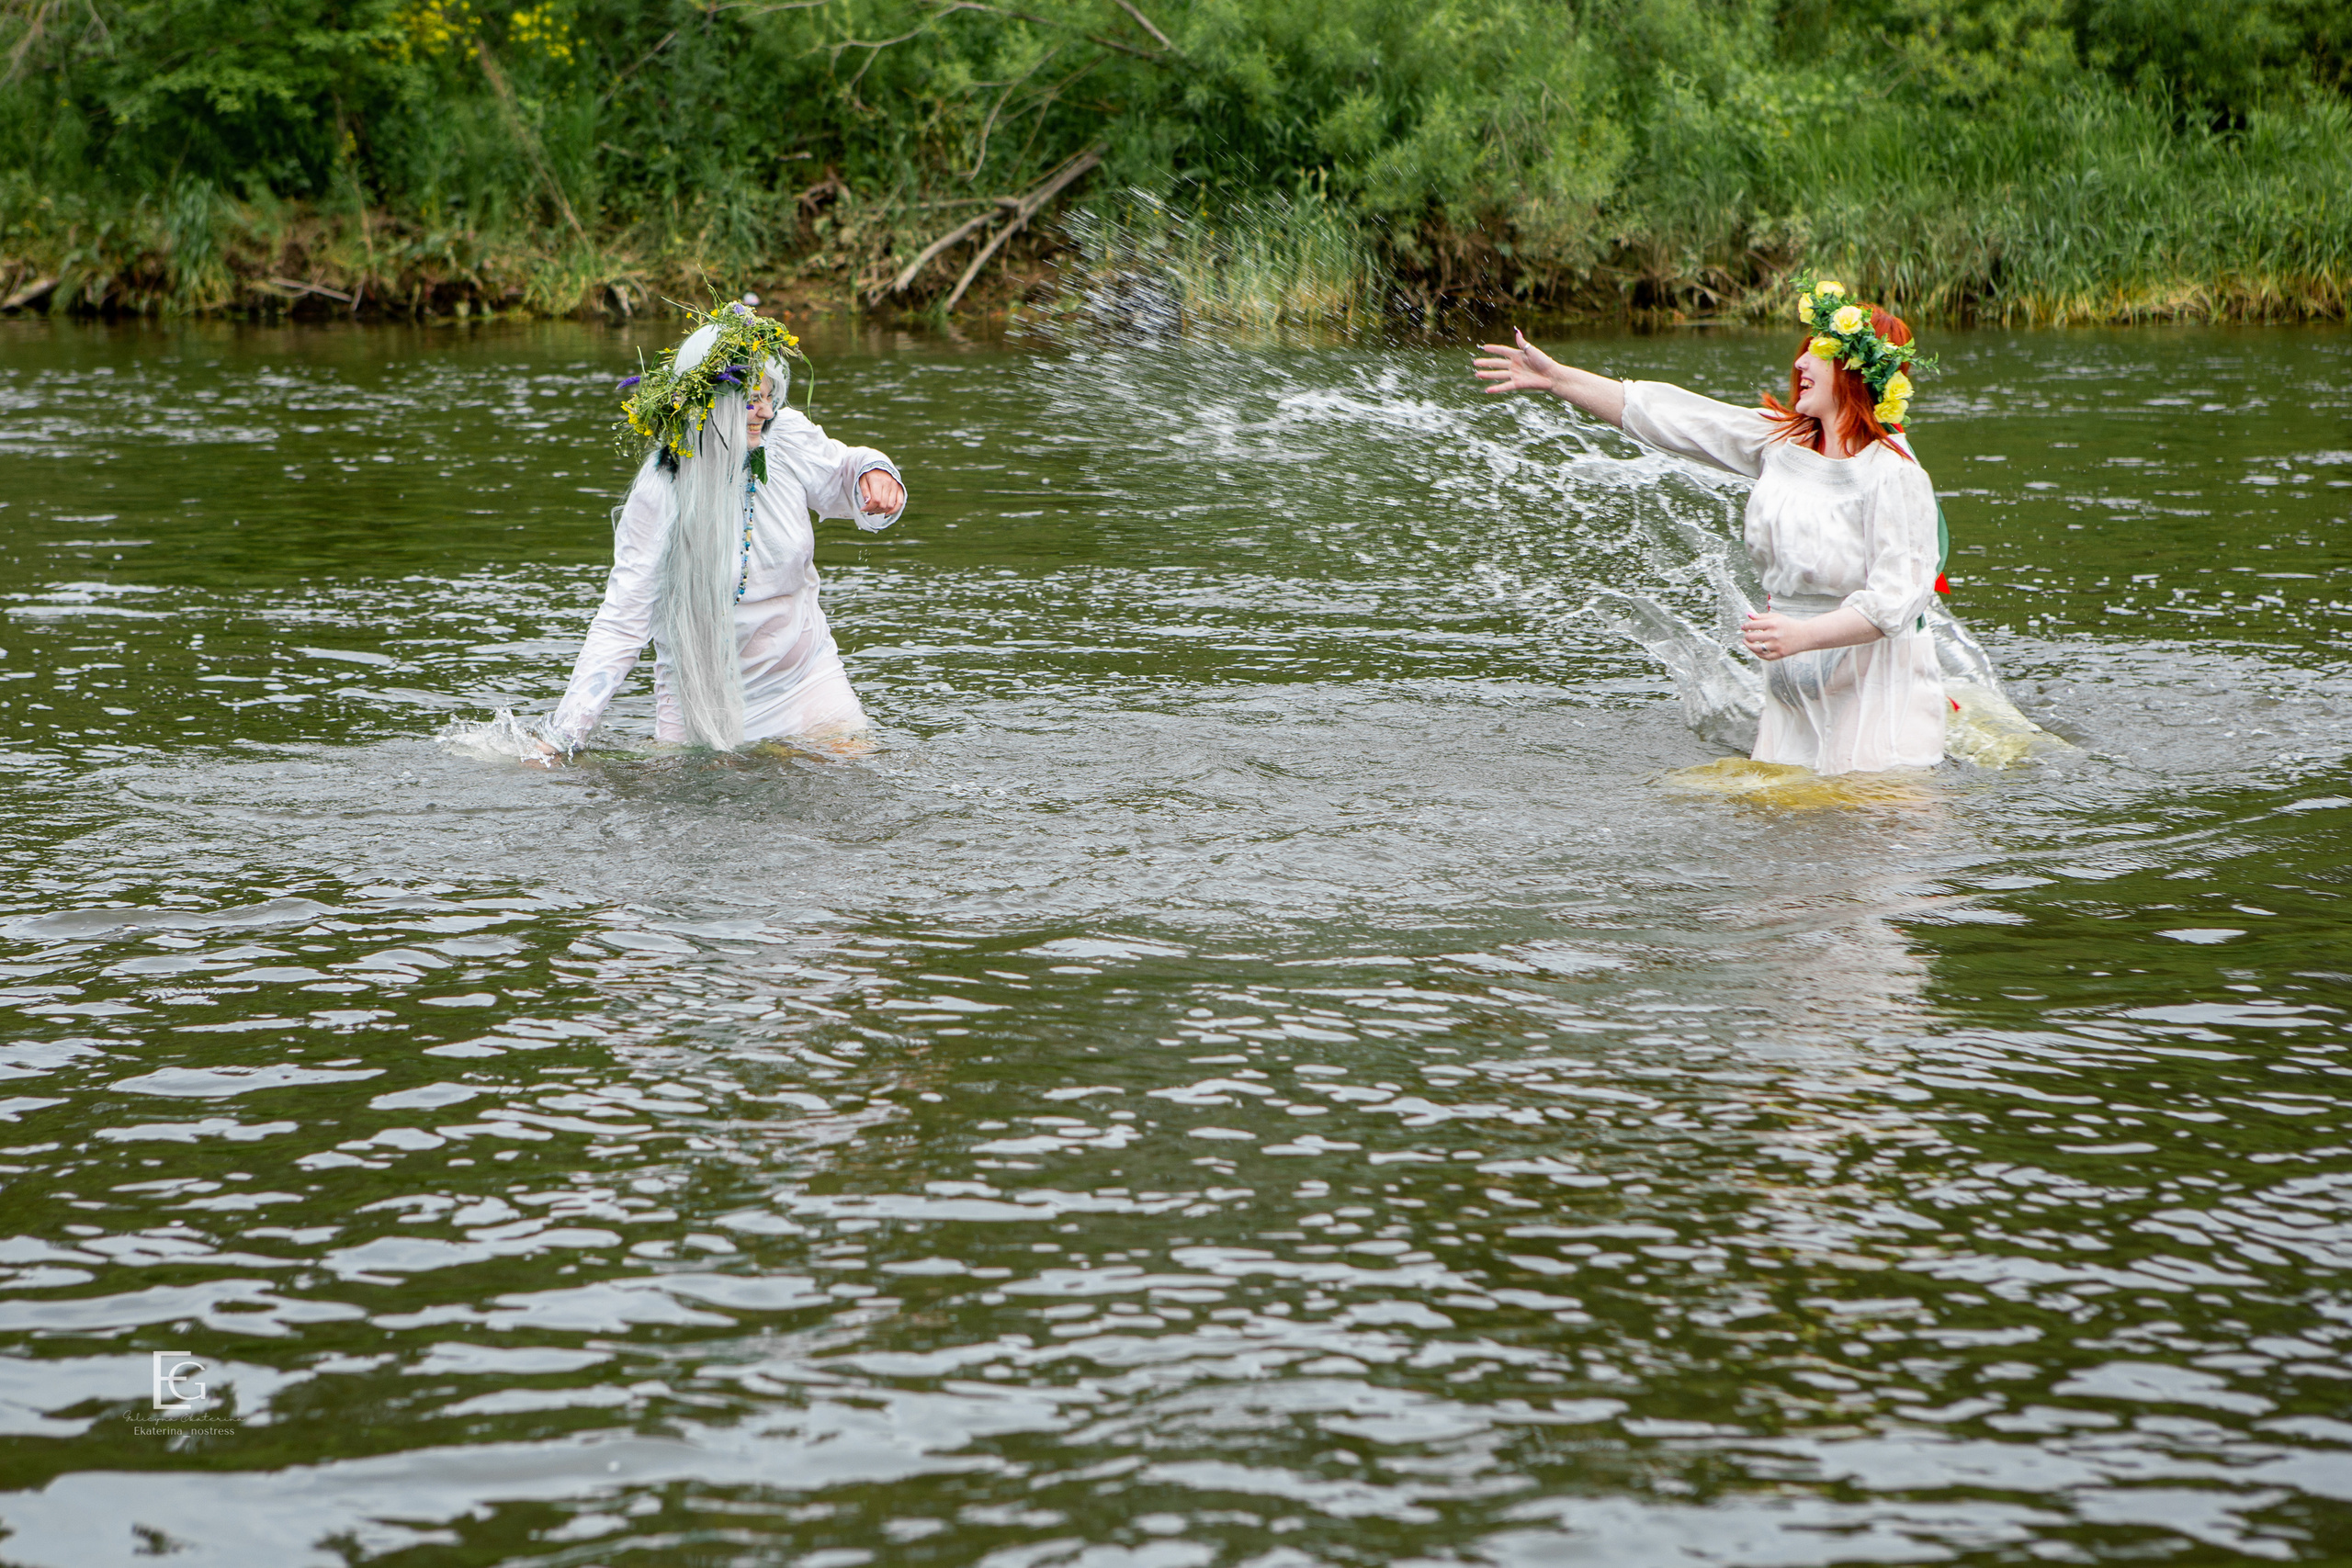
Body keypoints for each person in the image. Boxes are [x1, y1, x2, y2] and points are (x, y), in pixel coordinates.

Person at [1472, 279, 1947, 776]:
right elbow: (1677, 418)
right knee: (1783, 831)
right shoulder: (1782, 442)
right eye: (1803, 353)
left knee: (1873, 828)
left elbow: (1896, 600)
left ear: (1854, 372)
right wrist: (1559, 380)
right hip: (1789, 673)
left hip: (1873, 684)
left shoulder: (1894, 475)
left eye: (1817, 355)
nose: (1800, 365)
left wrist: (1803, 636)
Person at [530, 302, 907, 762]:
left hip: (805, 681)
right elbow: (622, 621)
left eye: (769, 395)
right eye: (750, 398)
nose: (764, 411)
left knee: (855, 784)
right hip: (700, 703)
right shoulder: (662, 488)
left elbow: (842, 472)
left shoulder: (783, 440)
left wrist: (875, 472)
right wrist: (562, 735)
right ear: (707, 403)